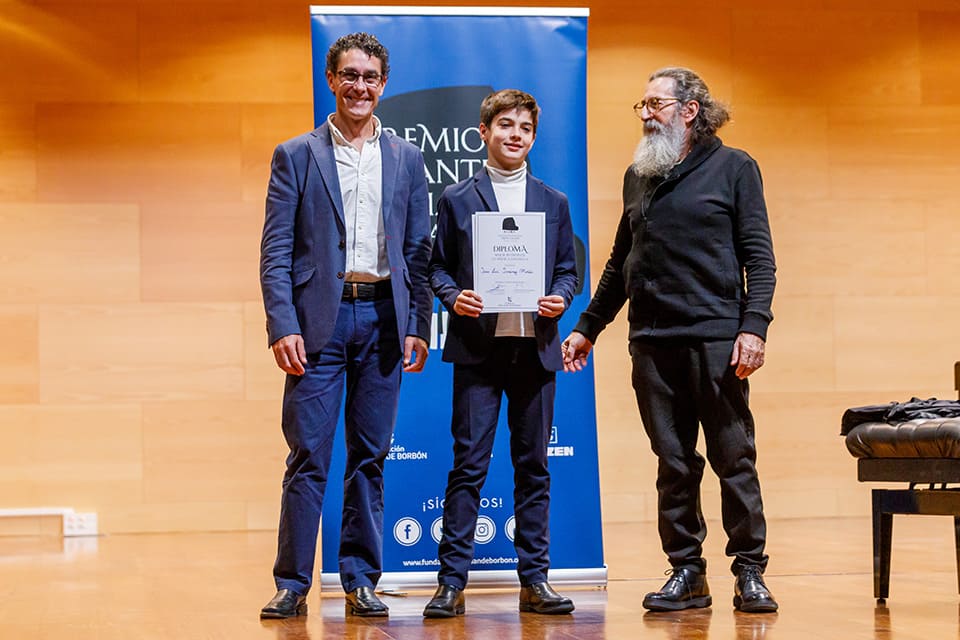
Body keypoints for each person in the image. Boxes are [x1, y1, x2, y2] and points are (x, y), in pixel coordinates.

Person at [562, 67, 779, 614]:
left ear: (689, 109)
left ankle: (749, 570)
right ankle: (687, 571)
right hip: (652, 341)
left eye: (655, 103)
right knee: (674, 462)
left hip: (715, 339)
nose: (645, 113)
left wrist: (753, 327)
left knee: (734, 457)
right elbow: (620, 262)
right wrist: (589, 327)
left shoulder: (735, 168)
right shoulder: (640, 174)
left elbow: (760, 257)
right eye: (642, 104)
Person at [258, 32, 432, 619]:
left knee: (370, 456)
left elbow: (417, 251)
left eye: (371, 77)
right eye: (350, 75)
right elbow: (276, 250)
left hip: (384, 318)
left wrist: (418, 325)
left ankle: (360, 579)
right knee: (308, 455)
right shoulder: (295, 154)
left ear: (384, 85)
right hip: (317, 327)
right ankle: (292, 583)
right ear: (331, 80)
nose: (361, 87)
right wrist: (282, 323)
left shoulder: (407, 157)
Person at [423, 89, 578, 617]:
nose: (516, 134)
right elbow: (436, 266)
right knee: (468, 466)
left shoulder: (553, 201)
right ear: (483, 131)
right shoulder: (456, 198)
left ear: (533, 137)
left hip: (535, 351)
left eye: (525, 128)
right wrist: (453, 296)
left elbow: (567, 269)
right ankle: (450, 583)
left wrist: (562, 295)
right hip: (478, 353)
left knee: (533, 467)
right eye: (505, 125)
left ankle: (535, 581)